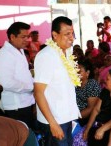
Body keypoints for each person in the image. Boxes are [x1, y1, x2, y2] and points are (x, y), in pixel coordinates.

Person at [34, 16, 81, 146]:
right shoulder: (46, 56)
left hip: (66, 117)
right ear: (55, 35)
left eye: (72, 33)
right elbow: (38, 93)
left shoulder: (66, 53)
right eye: (67, 34)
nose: (71, 37)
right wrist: (53, 123)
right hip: (54, 120)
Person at [0, 22, 35, 129]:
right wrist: (31, 87)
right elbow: (7, 83)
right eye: (23, 37)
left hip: (26, 102)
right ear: (12, 37)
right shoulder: (4, 54)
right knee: (22, 137)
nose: (27, 40)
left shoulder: (19, 50)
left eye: (28, 36)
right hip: (17, 106)